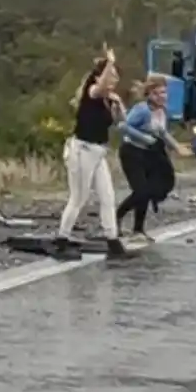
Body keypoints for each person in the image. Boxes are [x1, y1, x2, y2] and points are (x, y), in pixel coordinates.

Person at [53, 45, 130, 261]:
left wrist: (119, 105)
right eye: (112, 76)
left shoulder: (108, 99)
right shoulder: (92, 91)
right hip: (82, 149)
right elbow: (101, 84)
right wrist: (110, 62)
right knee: (79, 197)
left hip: (98, 152)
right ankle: (62, 239)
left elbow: (121, 122)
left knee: (108, 196)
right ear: (100, 76)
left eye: (116, 78)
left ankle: (113, 241)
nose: (114, 81)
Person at [116, 74, 189, 243]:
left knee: (149, 190)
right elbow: (123, 126)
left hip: (149, 154)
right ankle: (117, 216)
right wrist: (145, 139)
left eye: (164, 93)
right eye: (157, 93)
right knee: (141, 191)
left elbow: (162, 133)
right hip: (132, 152)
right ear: (149, 94)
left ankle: (138, 230)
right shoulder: (142, 110)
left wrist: (177, 147)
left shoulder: (162, 111)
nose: (161, 96)